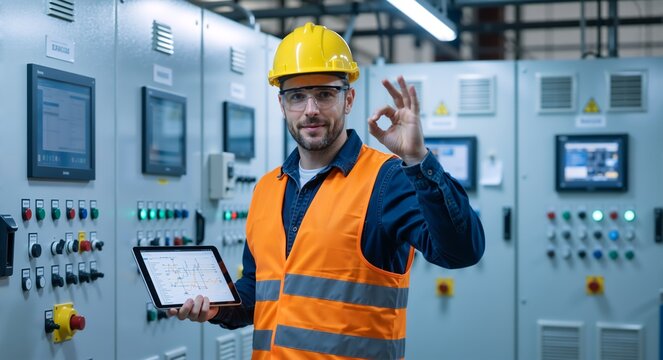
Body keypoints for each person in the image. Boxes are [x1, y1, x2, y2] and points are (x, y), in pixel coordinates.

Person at [170, 22, 485, 359]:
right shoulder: (266, 189)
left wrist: (418, 160)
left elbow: (461, 252)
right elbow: (257, 293)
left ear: (348, 99)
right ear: (282, 105)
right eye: (297, 96)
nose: (311, 110)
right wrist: (218, 307)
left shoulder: (387, 179)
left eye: (324, 94)